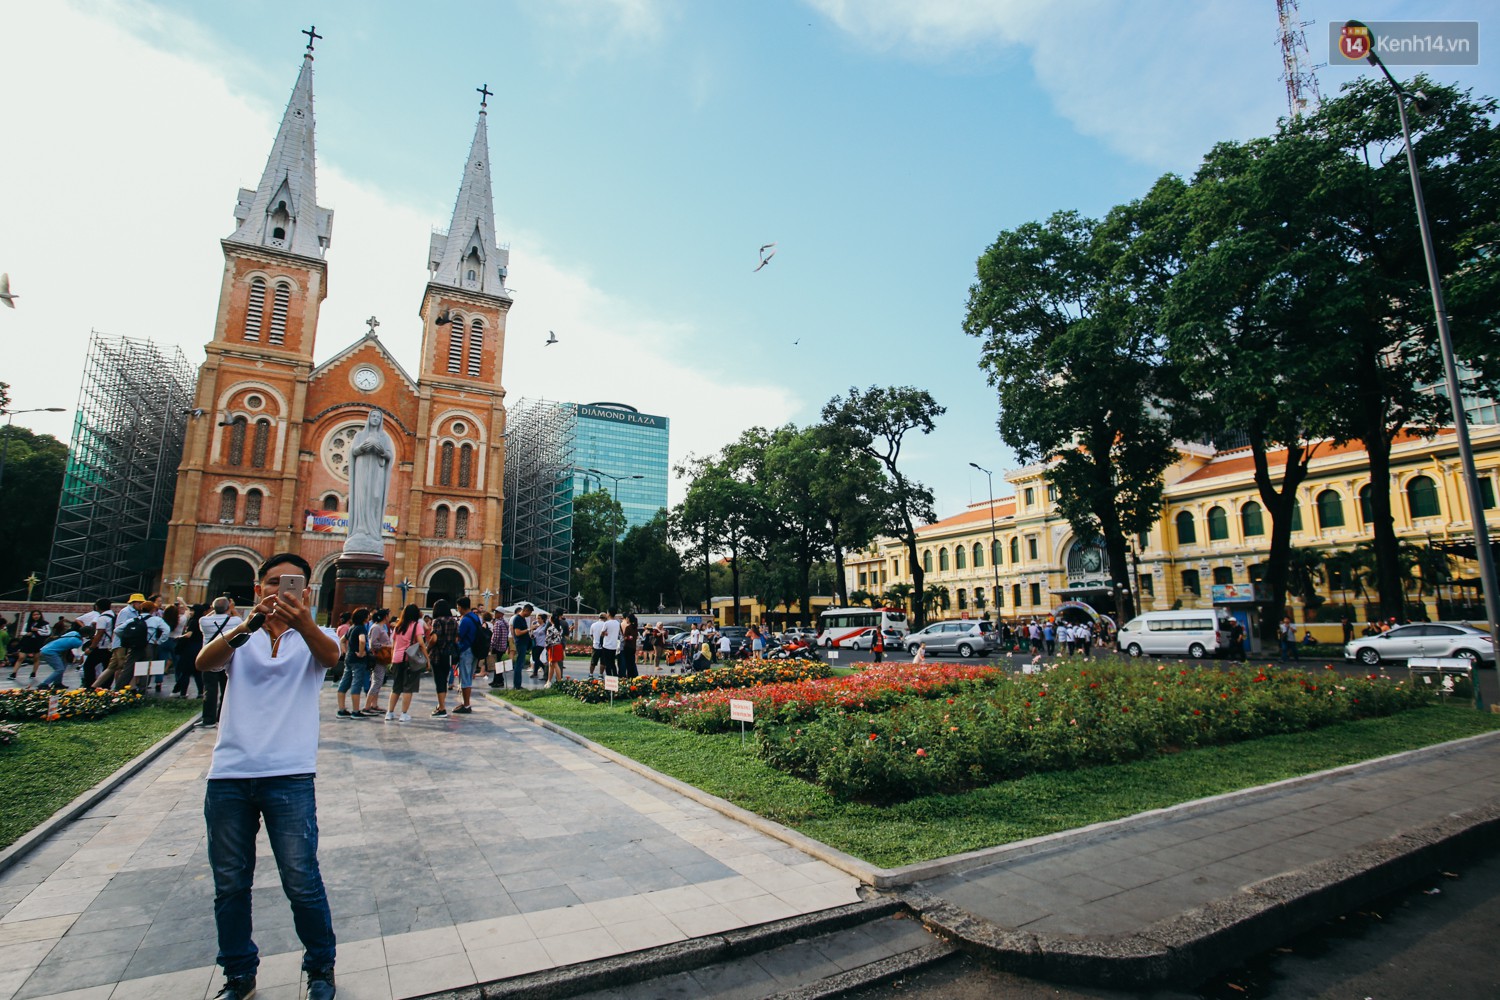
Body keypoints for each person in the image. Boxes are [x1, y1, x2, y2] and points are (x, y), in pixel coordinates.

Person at [196, 552, 339, 1000]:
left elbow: (331, 656)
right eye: (273, 582)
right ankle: (239, 974)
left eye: (291, 583)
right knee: (231, 882)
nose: (281, 589)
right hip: (230, 776)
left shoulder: (316, 637)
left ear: (307, 592)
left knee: (301, 878)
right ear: (259, 589)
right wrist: (247, 626)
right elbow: (204, 662)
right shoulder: (241, 637)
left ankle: (320, 969)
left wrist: (303, 624)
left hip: (290, 776)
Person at [199, 598, 243, 729]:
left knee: (209, 689)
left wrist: (214, 610)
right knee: (226, 689)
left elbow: (207, 616)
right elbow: (243, 623)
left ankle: (208, 719)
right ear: (228, 607)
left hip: (210, 658)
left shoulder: (204, 621)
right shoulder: (235, 621)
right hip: (227, 658)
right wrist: (232, 609)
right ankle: (222, 717)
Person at [385, 604, 427, 722]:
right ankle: (404, 714)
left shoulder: (398, 626)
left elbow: (393, 645)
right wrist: (427, 658)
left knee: (396, 687)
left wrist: (392, 659)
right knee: (408, 687)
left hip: (396, 659)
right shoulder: (416, 625)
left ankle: (390, 712)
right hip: (409, 659)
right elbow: (421, 643)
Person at [335, 608, 371, 719]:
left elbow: (341, 640)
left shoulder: (351, 628)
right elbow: (362, 640)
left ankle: (341, 710)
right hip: (358, 661)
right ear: (364, 618)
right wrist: (361, 652)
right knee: (356, 684)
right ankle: (356, 711)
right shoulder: (361, 629)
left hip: (349, 659)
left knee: (344, 682)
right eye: (368, 615)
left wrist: (345, 651)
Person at [35, 623, 92, 690]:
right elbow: (77, 653)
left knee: (63, 665)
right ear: (86, 634)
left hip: (48, 648)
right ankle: (44, 684)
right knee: (59, 669)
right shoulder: (77, 641)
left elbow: (65, 645)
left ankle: (57, 683)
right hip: (51, 652)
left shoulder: (73, 633)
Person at [454, 596, 485, 714]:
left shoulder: (465, 620)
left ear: (461, 607)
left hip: (466, 650)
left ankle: (466, 705)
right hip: (475, 649)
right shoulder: (475, 617)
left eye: (458, 607)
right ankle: (465, 703)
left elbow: (460, 635)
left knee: (465, 678)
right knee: (469, 676)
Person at [429, 599, 458, 716]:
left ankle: (442, 708)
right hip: (449, 654)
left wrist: (427, 648)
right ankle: (441, 704)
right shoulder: (454, 621)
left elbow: (434, 638)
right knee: (444, 679)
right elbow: (456, 638)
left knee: (439, 681)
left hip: (437, 654)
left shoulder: (437, 621)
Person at [361, 609, 392, 716]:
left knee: (378, 680)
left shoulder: (379, 627)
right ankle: (367, 706)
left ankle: (374, 704)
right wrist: (387, 646)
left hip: (382, 658)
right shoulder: (376, 628)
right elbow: (373, 644)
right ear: (385, 617)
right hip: (378, 657)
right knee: (376, 681)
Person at [173, 605, 207, 698]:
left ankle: (183, 693)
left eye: (192, 610)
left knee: (185, 672)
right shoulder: (203, 621)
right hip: (199, 648)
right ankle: (201, 693)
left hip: (190, 649)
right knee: (197, 673)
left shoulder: (193, 622)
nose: (191, 612)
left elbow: (189, 635)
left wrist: (179, 637)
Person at [508, 604, 532, 690]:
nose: (529, 615)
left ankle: (518, 684)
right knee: (519, 664)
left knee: (520, 663)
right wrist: (529, 629)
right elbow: (517, 633)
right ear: (526, 610)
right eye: (529, 613)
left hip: (524, 643)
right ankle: (517, 685)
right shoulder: (517, 619)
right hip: (520, 643)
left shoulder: (522, 618)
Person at [487, 611, 510, 689]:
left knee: (496, 665)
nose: (495, 614)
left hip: (497, 647)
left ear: (500, 613)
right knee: (499, 665)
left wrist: (491, 645)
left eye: (496, 613)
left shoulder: (497, 623)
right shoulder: (505, 622)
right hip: (503, 646)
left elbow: (495, 636)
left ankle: (498, 681)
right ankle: (498, 680)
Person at [546, 614, 566, 686]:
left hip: (553, 647)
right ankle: (549, 681)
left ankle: (559, 681)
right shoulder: (560, 628)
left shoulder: (550, 628)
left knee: (554, 664)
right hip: (559, 646)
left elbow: (548, 639)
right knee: (551, 664)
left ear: (551, 619)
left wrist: (545, 646)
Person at [600, 611, 621, 676]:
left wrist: (605, 633)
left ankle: (609, 677)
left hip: (606, 645)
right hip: (614, 645)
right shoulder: (617, 623)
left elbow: (602, 633)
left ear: (609, 613)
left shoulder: (606, 623)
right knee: (612, 662)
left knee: (607, 663)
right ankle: (615, 676)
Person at [620, 613, 639, 679]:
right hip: (633, 647)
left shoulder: (628, 627)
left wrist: (627, 637)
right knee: (632, 662)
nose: (626, 620)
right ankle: (634, 675)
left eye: (627, 619)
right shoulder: (635, 628)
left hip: (627, 647)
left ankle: (629, 675)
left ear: (629, 619)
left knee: (628, 663)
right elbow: (635, 637)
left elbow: (625, 637)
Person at [588, 612, 606, 676]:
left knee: (593, 661)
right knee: (603, 662)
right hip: (604, 646)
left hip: (595, 645)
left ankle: (591, 674)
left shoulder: (593, 625)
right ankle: (600, 674)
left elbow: (591, 635)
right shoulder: (605, 624)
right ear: (605, 618)